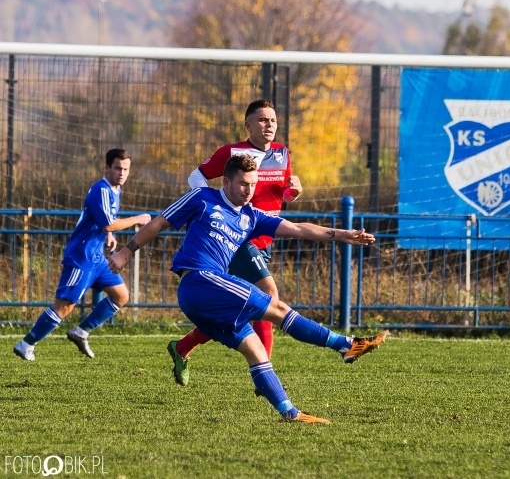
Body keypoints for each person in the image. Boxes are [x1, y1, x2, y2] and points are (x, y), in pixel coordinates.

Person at [108, 154, 387, 424]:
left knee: (255, 350)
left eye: (253, 185)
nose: (248, 190)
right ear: (226, 182)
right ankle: (346, 345)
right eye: (243, 184)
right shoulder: (202, 198)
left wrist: (343, 235)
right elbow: (159, 222)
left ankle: (290, 413)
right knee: (275, 306)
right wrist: (124, 253)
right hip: (199, 280)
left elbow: (298, 228)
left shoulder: (251, 216)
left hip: (206, 296)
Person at [166, 99, 301, 386]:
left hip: (265, 238)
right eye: (263, 120)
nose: (269, 125)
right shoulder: (232, 153)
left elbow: (283, 195)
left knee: (235, 311)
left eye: (273, 120)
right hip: (240, 239)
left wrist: (293, 192)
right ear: (248, 125)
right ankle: (266, 370)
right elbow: (195, 178)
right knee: (269, 296)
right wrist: (219, 212)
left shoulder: (281, 153)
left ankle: (182, 347)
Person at [13, 148, 152, 361]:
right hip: (82, 257)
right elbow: (107, 222)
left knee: (121, 295)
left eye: (126, 169)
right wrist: (137, 219)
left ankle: (81, 331)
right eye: (117, 168)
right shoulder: (101, 190)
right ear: (106, 168)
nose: (122, 173)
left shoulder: (115, 190)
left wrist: (109, 235)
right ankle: (26, 344)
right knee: (65, 306)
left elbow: (103, 223)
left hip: (97, 258)